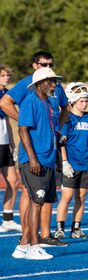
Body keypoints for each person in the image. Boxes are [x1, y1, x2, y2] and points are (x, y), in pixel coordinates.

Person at [1, 51, 68, 249]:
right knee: (32, 194)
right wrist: (27, 123)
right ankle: (28, 238)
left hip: (49, 148)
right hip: (34, 150)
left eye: (50, 63)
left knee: (47, 193)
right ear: (34, 66)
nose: (47, 66)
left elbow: (65, 107)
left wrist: (57, 131)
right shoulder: (30, 87)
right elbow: (5, 103)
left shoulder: (51, 91)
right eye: (43, 63)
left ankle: (44, 235)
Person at [12, 67, 62, 260]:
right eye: (50, 81)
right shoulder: (30, 101)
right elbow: (23, 130)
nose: (54, 84)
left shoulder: (48, 103)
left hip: (47, 159)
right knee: (37, 202)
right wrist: (32, 158)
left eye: (54, 81)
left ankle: (23, 246)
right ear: (39, 84)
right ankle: (34, 247)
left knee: (39, 202)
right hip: (35, 160)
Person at [54, 82, 88, 240]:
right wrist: (65, 162)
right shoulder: (67, 119)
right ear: (72, 100)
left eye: (86, 100)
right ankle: (60, 228)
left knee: (81, 197)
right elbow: (62, 143)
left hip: (85, 164)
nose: (85, 103)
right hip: (71, 165)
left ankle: (76, 228)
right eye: (81, 100)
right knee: (66, 197)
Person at [0, 65, 21, 232]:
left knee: (14, 182)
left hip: (4, 144)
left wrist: (12, 144)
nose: (6, 78)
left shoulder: (7, 95)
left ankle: (7, 219)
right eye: (2, 75)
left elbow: (6, 120)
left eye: (7, 75)